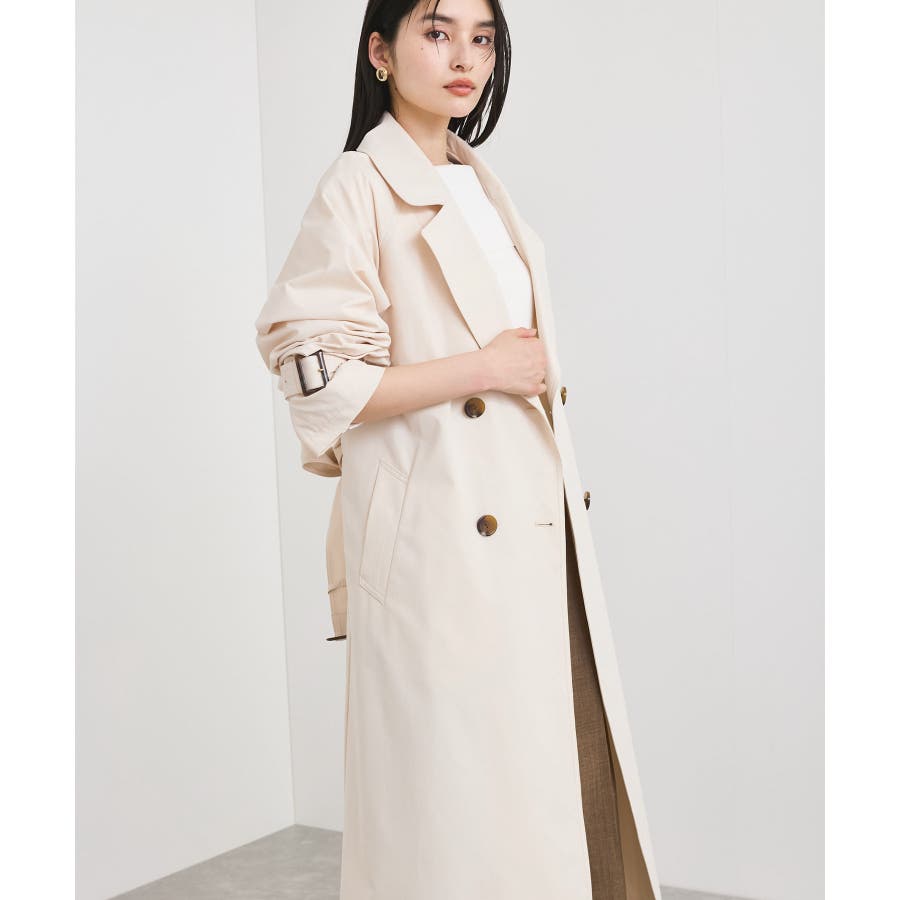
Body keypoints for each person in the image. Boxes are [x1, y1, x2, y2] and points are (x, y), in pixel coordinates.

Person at [254, 2, 662, 898]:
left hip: (533, 529)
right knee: (454, 817)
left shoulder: (478, 183)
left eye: (482, 39)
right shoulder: (357, 184)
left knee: (554, 793)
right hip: (441, 543)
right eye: (436, 33)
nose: (463, 57)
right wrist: (482, 368)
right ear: (380, 51)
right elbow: (320, 380)